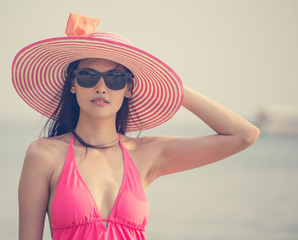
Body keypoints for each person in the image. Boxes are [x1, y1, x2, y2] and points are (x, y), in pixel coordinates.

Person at [13, 13, 259, 240]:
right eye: (88, 75)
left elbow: (244, 135)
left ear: (129, 88)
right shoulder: (44, 154)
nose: (101, 87)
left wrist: (170, 84)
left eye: (116, 78)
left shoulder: (146, 153)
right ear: (73, 83)